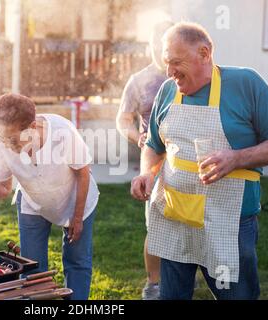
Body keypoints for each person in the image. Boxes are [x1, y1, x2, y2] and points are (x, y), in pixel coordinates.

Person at [130, 22, 268, 300]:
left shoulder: (246, 84)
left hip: (228, 223)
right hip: (176, 219)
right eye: (167, 63)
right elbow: (153, 145)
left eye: (176, 62)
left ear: (204, 53)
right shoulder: (168, 90)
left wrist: (236, 158)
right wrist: (146, 173)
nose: (169, 72)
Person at [0, 93, 100, 300]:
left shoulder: (62, 132)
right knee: (31, 268)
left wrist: (76, 218)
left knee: (77, 261)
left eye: (11, 138)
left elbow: (83, 172)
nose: (6, 143)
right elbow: (4, 190)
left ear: (31, 127)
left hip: (75, 198)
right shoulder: (2, 143)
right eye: (0, 136)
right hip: (33, 201)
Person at [116, 20, 173, 300]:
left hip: (188, 159)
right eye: (153, 43)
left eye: (162, 43)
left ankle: (181, 277)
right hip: (153, 160)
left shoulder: (189, 74)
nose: (156, 49)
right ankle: (154, 284)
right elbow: (123, 119)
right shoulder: (139, 80)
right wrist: (136, 137)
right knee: (156, 224)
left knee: (191, 220)